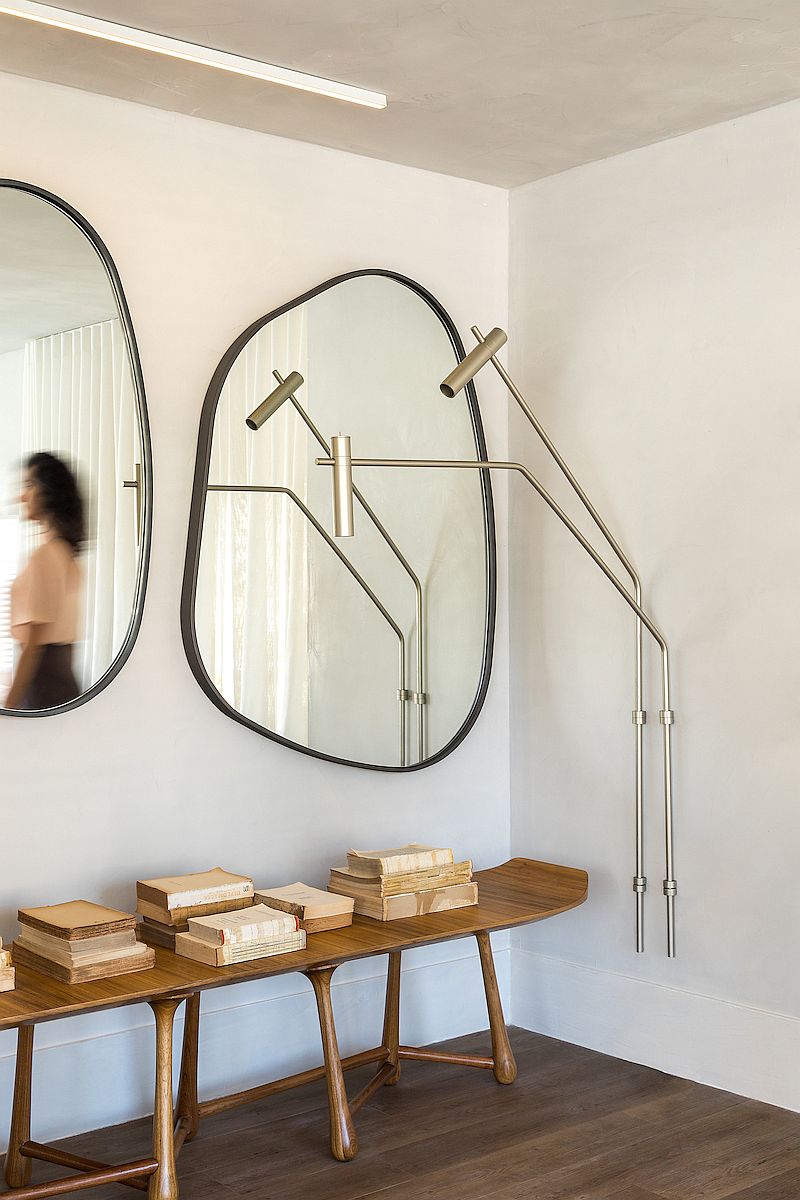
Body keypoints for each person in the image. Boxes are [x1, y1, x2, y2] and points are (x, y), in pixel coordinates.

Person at [4, 452, 84, 710]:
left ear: (49, 492)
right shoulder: (65, 553)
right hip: (59, 681)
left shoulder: (45, 555)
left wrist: (9, 707)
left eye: (29, 485)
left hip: (42, 684)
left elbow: (33, 647)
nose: (21, 496)